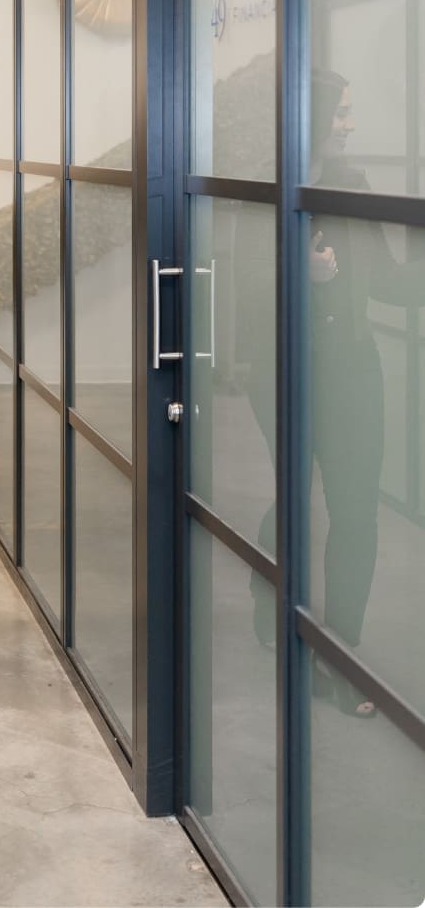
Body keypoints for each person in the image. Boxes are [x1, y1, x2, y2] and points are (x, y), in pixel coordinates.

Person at [244, 70, 423, 717]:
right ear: (310, 114)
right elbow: (244, 292)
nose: (349, 123)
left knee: (355, 512)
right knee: (297, 497)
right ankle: (270, 600)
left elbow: (385, 281)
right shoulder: (263, 184)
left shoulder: (353, 186)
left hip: (352, 370)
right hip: (283, 367)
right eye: (340, 112)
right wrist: (304, 272)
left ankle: (340, 658)